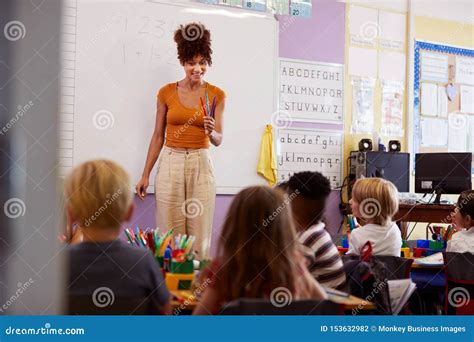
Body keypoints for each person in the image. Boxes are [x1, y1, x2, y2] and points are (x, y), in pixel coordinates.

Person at [136, 22, 225, 260]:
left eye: (202, 62)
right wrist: (145, 174)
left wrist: (210, 131)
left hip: (201, 164)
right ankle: (169, 291)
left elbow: (219, 139)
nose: (197, 68)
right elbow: (157, 136)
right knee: (169, 235)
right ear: (182, 63)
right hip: (171, 161)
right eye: (191, 63)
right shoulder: (166, 92)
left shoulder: (216, 94)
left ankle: (194, 293)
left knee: (199, 235)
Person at [193, 186, 327, 315]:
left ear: (235, 226)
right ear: (284, 227)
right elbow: (324, 303)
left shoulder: (225, 269)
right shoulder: (294, 266)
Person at [65, 159, 170, 314]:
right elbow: (166, 314)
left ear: (71, 214)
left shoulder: (58, 264)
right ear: (129, 212)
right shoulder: (143, 262)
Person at [286, 171, 346, 289]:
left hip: (322, 306)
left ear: (293, 205)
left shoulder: (308, 239)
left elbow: (286, 281)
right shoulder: (317, 232)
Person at [347, 178, 402, 256]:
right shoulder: (395, 230)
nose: (350, 201)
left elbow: (352, 261)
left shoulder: (357, 234)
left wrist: (352, 238)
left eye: (354, 199)